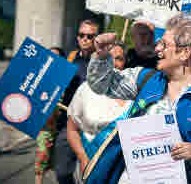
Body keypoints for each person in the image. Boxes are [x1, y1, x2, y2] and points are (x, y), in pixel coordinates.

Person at [87, 14, 191, 184]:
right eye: (159, 43)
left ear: (185, 52)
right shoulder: (144, 78)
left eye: (164, 45)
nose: (157, 48)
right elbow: (102, 84)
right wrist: (100, 56)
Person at [67, 40, 127, 184]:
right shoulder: (85, 90)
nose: (113, 64)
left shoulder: (135, 91)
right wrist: (82, 158)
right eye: (108, 59)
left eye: (118, 58)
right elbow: (72, 130)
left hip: (123, 172)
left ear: (125, 62)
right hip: (91, 165)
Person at [54, 19, 99, 184]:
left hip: (92, 125)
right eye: (81, 35)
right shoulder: (70, 58)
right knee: (62, 173)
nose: (85, 39)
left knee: (90, 174)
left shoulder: (102, 61)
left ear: (97, 38)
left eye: (90, 35)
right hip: (68, 123)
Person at [35, 47, 65, 184]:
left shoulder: (65, 78)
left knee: (58, 164)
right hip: (45, 128)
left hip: (63, 126)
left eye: (57, 57)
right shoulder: (38, 78)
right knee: (41, 161)